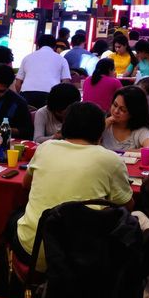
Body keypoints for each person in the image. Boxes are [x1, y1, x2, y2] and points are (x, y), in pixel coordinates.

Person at [12, 102, 134, 270]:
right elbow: (127, 205)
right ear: (100, 131)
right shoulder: (111, 159)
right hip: (83, 258)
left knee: (15, 216)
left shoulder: (45, 148)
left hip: (34, 252)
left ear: (65, 126)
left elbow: (26, 184)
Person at [14, 34, 71, 109]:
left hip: (27, 95)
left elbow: (18, 83)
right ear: (54, 46)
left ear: (38, 45)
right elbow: (65, 83)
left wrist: (20, 98)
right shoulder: (62, 59)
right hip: (50, 96)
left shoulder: (27, 58)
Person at [102, 86, 149, 157]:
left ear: (134, 113)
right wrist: (103, 125)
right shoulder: (104, 123)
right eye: (115, 105)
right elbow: (87, 145)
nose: (116, 111)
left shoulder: (140, 130)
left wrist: (120, 153)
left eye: (123, 109)